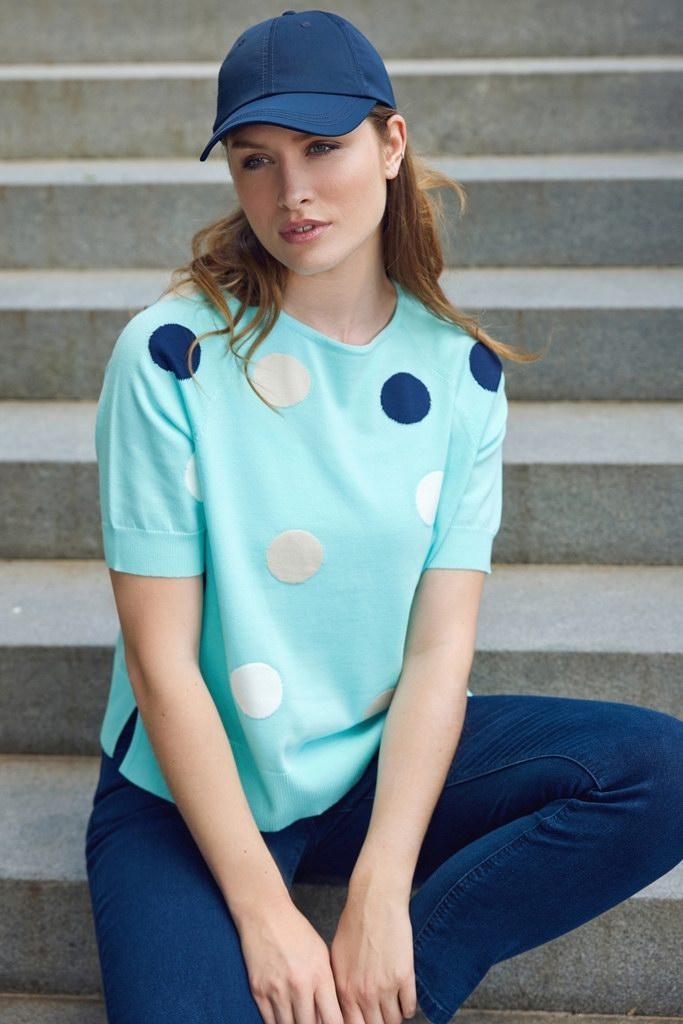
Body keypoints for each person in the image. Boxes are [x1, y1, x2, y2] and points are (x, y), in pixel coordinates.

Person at [84, 11, 683, 1024]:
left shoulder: (460, 376)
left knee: (658, 772)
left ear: (390, 143)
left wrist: (379, 892)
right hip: (190, 793)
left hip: (372, 764)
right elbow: (161, 664)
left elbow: (438, 654)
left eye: (322, 147)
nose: (291, 191)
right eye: (255, 159)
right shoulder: (169, 357)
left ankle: (388, 997)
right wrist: (264, 913)